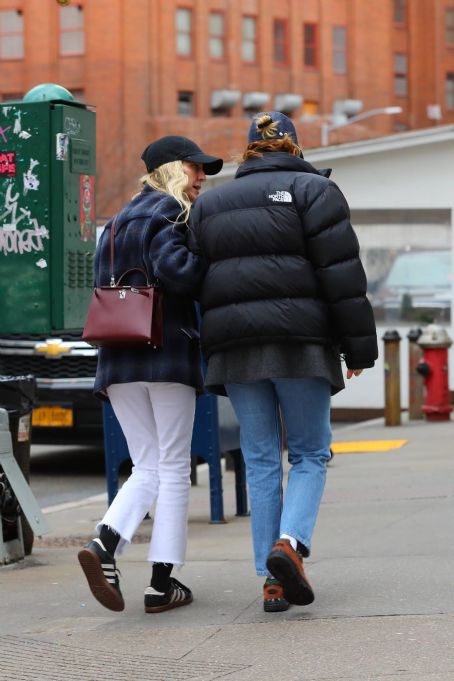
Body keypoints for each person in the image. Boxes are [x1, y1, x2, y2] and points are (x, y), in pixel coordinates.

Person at [189, 112, 377, 613]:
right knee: (311, 453)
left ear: (248, 150)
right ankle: (288, 546)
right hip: (301, 341)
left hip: (235, 348)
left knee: (261, 458)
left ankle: (270, 583)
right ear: (294, 146)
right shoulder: (314, 191)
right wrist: (359, 347)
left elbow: (198, 279)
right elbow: (341, 275)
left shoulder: (210, 203)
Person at [78, 136, 223, 614]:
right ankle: (160, 582)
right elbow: (178, 272)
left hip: (117, 358)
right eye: (194, 168)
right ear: (169, 170)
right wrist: (210, 257)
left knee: (147, 465)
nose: (202, 177)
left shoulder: (116, 222)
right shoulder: (168, 213)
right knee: (173, 466)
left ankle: (106, 547)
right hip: (165, 354)